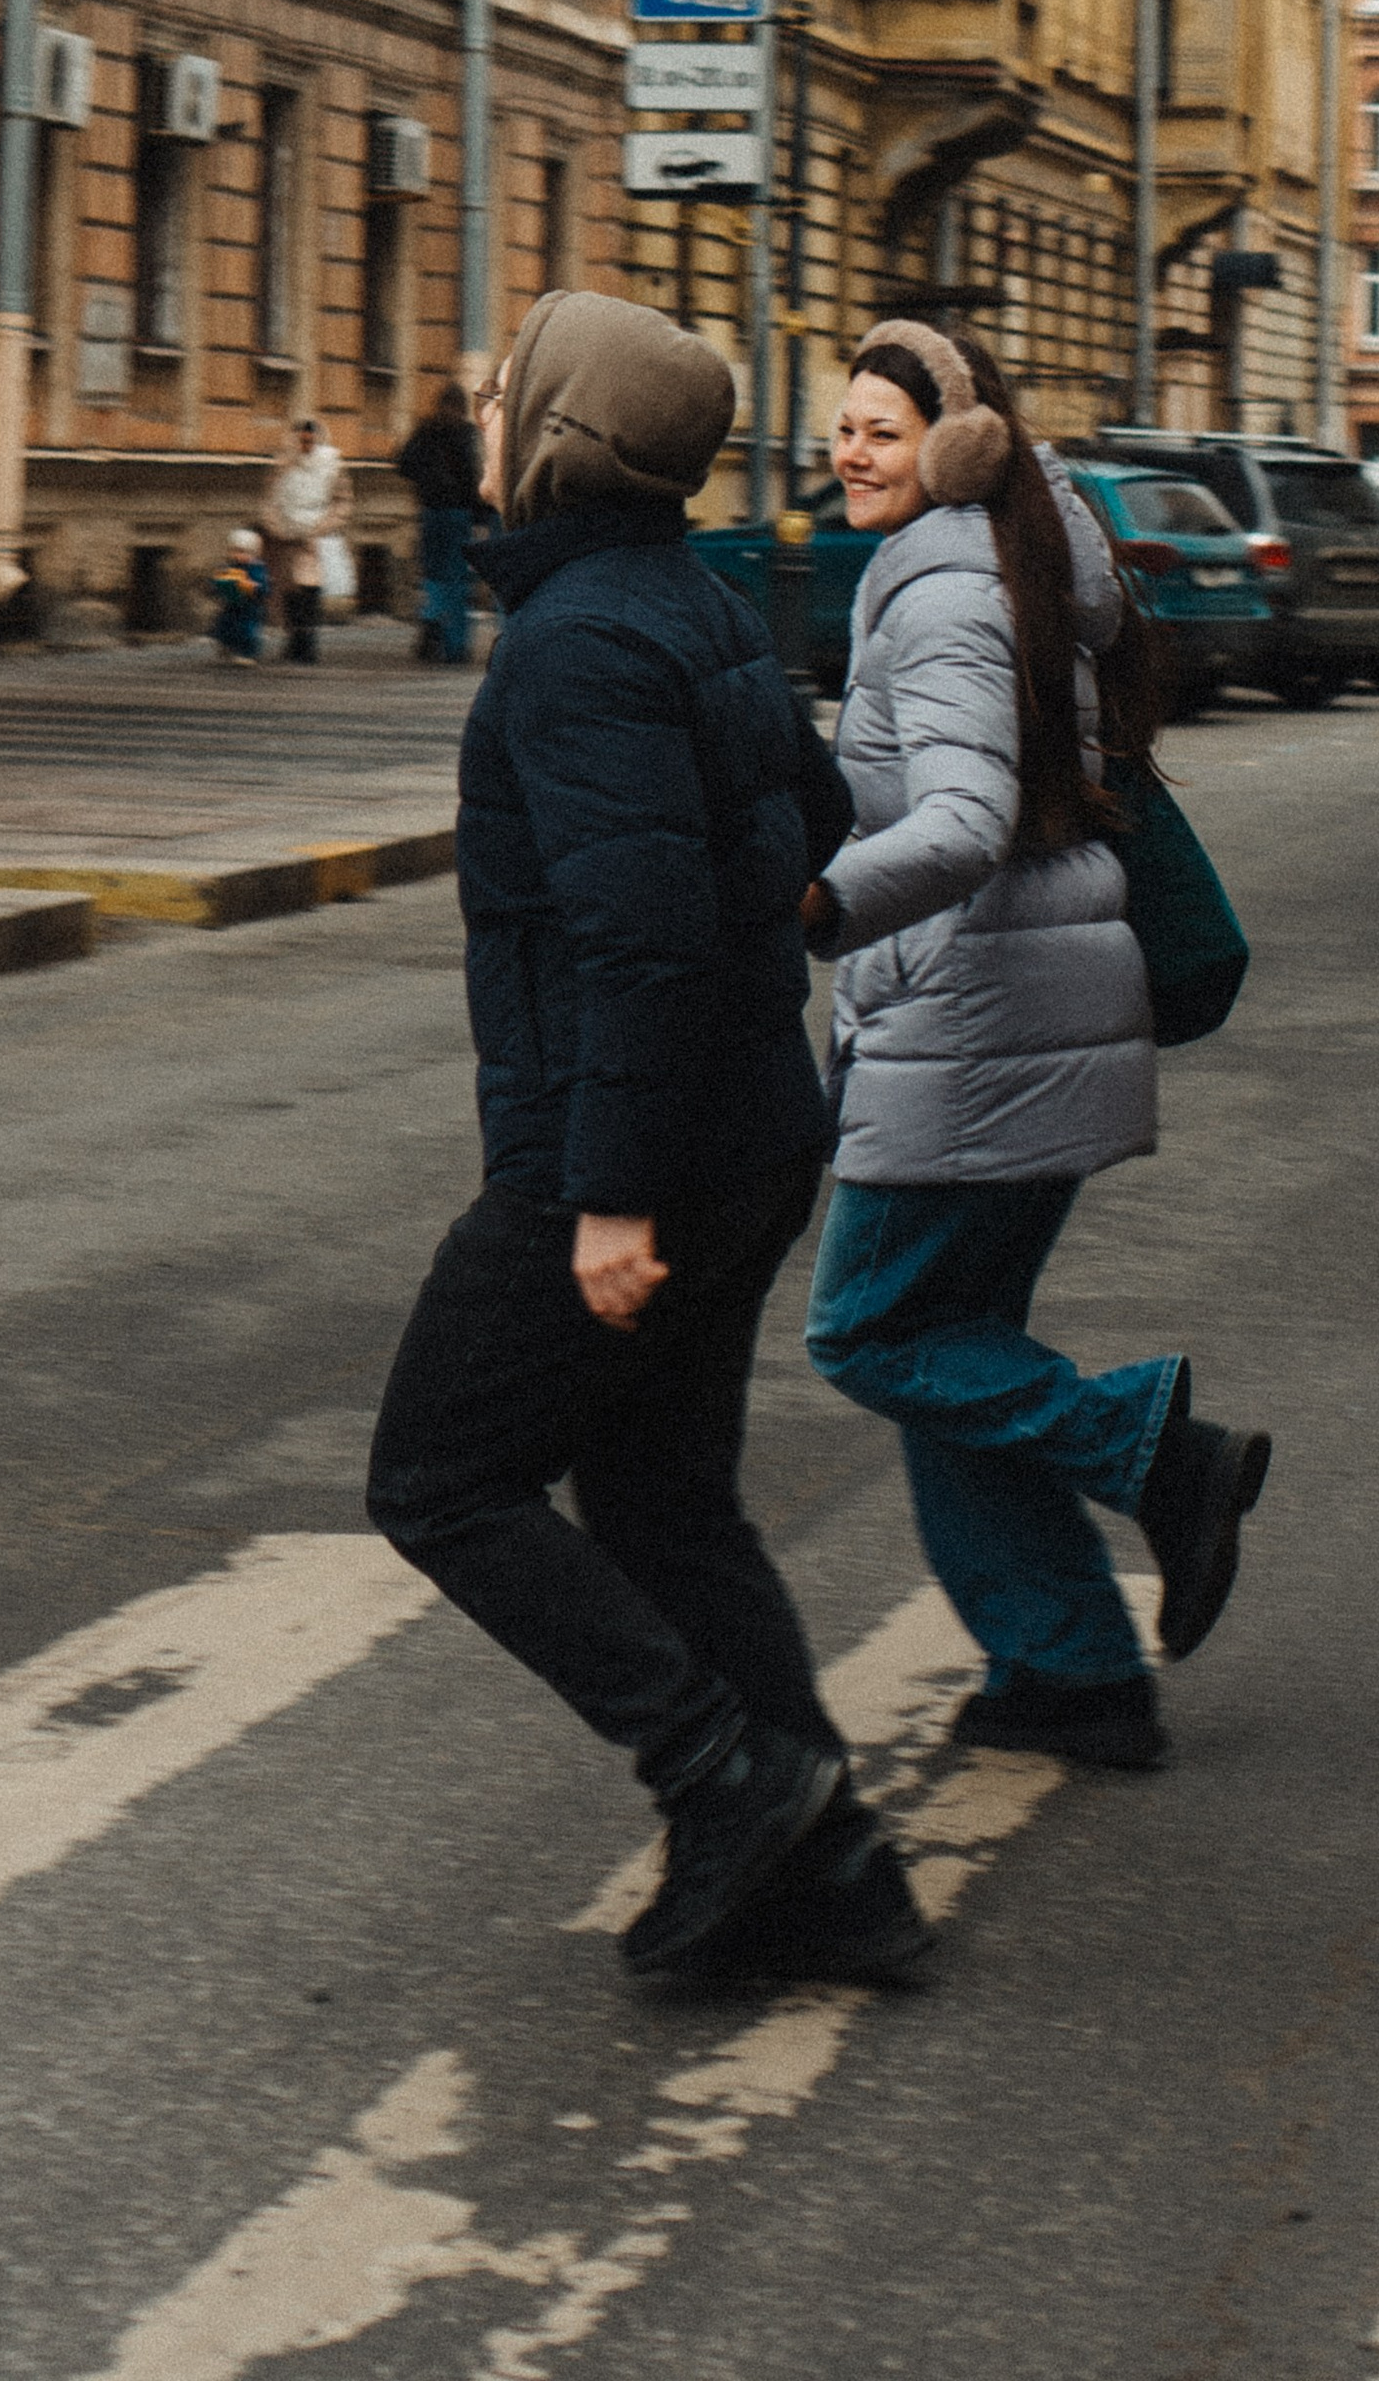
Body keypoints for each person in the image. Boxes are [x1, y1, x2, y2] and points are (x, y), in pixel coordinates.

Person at [367, 291, 926, 1988]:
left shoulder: (579, 643)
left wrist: (604, 1197)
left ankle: (724, 1772)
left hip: (626, 1147)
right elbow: (814, 825)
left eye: (500, 387)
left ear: (559, 436)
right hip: (754, 1116)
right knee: (666, 1499)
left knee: (444, 1479)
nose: (475, 406)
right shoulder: (693, 602)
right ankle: (832, 1874)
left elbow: (637, 940)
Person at [801, 316, 1270, 1776]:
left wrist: (814, 900)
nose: (849, 450)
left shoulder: (943, 587)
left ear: (955, 447)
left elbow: (956, 825)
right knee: (953, 1351)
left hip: (976, 1018)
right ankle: (1069, 1667)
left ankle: (1156, 1456)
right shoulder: (1001, 561)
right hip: (1026, 1007)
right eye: (845, 425)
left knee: (871, 1332)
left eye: (882, 428)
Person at [396, 378, 489, 665]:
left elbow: (402, 464)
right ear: (462, 406)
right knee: (457, 579)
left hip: (430, 512)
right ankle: (455, 646)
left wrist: (425, 483)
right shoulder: (466, 433)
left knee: (433, 574)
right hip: (458, 514)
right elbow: (475, 474)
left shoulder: (425, 430)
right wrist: (480, 514)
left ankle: (431, 619)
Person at [261, 414, 345, 665]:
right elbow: (270, 498)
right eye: (302, 440)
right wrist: (275, 525)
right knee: (289, 591)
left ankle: (308, 641)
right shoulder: (283, 464)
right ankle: (294, 638)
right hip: (286, 536)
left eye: (310, 441)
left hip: (314, 538)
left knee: (309, 589)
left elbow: (341, 502)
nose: (305, 445)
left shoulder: (331, 465)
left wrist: (324, 526)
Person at [208, 527, 268, 663]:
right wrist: (217, 584)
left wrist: (252, 586)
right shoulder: (229, 567)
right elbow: (217, 581)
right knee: (225, 627)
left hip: (250, 607)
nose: (237, 555)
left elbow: (263, 588)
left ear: (253, 553)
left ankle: (247, 654)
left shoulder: (256, 568)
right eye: (234, 551)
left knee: (248, 631)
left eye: (242, 552)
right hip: (231, 605)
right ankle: (226, 646)